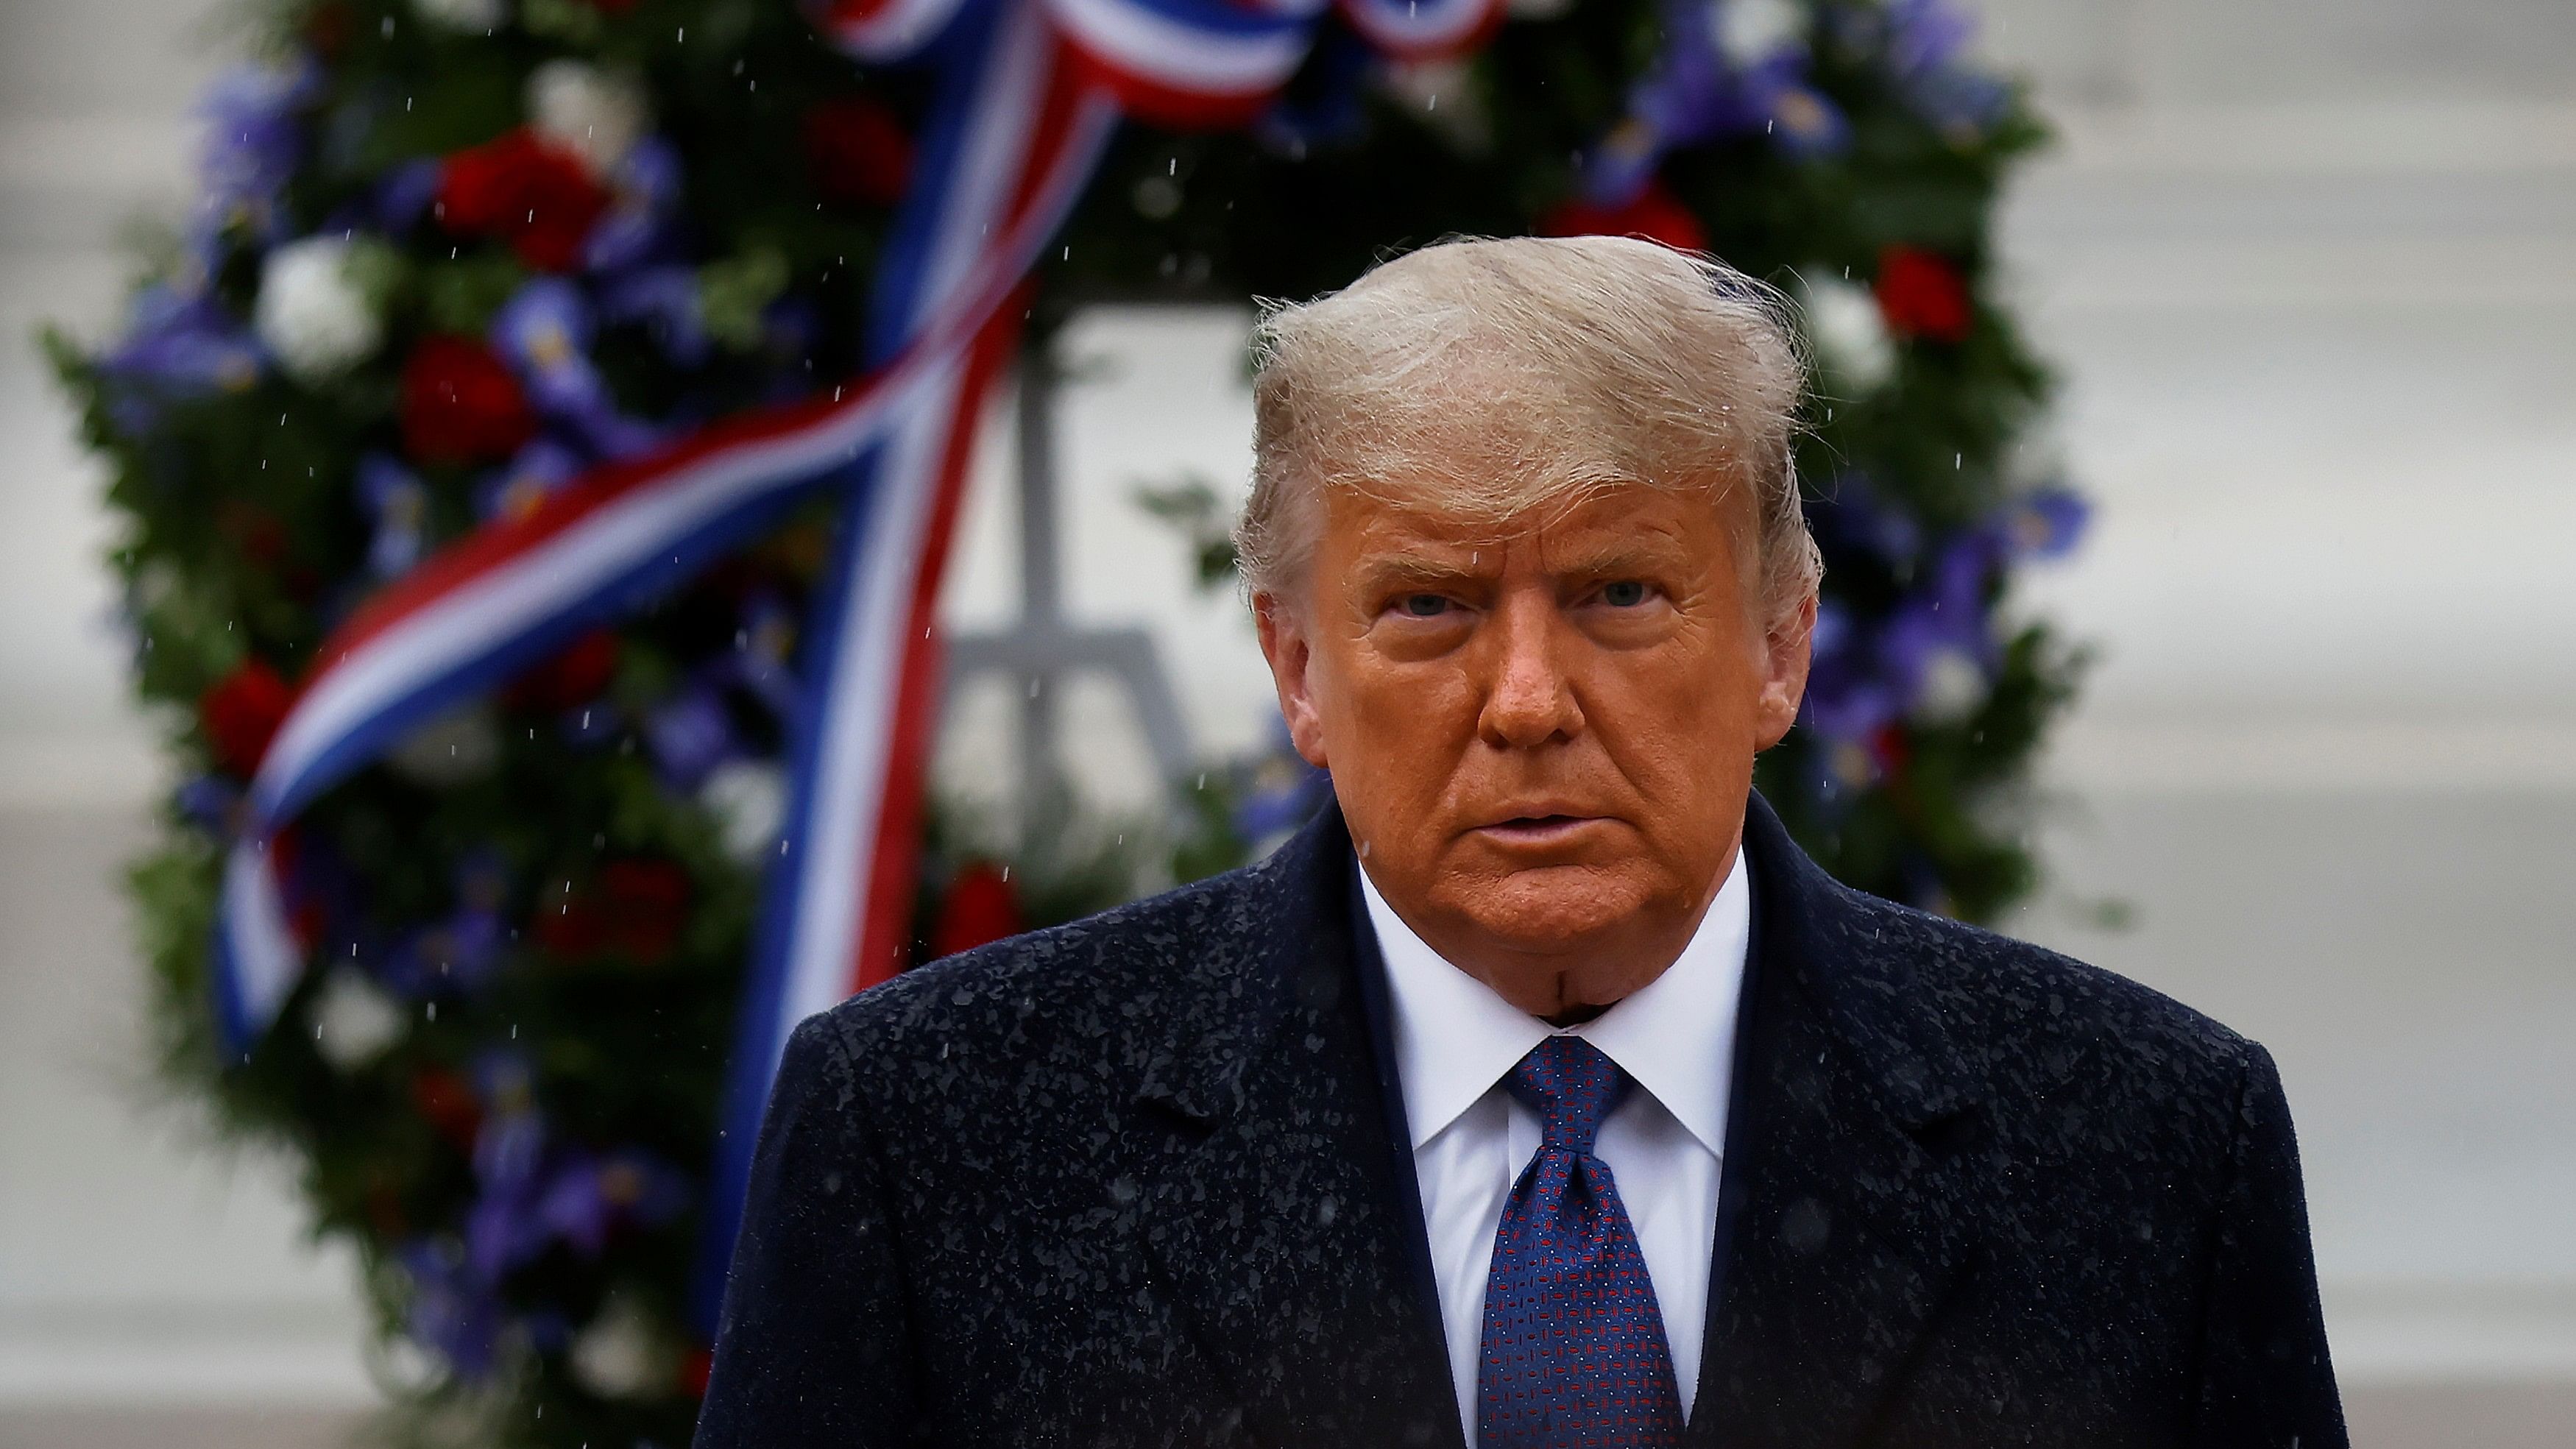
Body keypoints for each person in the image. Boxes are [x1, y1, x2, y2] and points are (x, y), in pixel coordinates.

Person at [694, 236, 2345, 1448]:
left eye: (1622, 593)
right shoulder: (931, 1148)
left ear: (1780, 642)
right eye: (1429, 607)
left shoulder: (2142, 1149)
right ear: (1293, 668)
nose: (1529, 698)